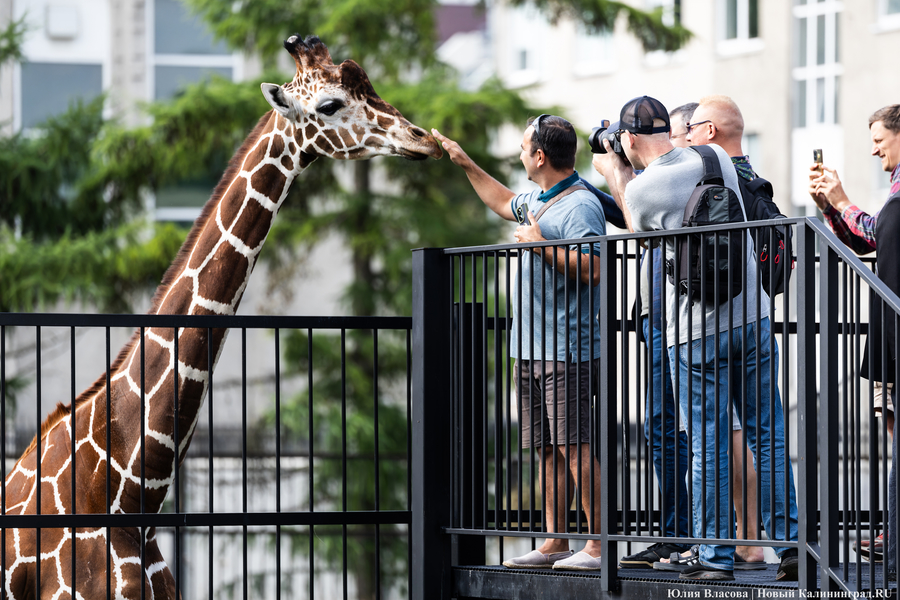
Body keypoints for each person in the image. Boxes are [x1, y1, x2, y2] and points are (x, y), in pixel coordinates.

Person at [593, 95, 800, 581]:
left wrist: (615, 174)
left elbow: (634, 226)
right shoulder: (717, 160)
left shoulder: (643, 190)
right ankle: (791, 546)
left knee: (708, 444)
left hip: (694, 333)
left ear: (627, 139)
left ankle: (714, 559)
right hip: (751, 318)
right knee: (766, 433)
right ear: (672, 127)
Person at [432, 115, 606, 571]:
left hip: (566, 350)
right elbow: (503, 200)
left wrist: (538, 243)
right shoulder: (537, 198)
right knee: (547, 448)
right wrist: (465, 162)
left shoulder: (581, 206)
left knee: (576, 447)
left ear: (540, 156)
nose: (520, 153)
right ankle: (553, 542)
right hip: (529, 347)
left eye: (524, 147)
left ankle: (597, 547)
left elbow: (593, 268)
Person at [809, 104, 900, 570]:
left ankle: (893, 537)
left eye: (880, 140)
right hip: (887, 335)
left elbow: (875, 236)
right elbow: (869, 241)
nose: (873, 148)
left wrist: (842, 200)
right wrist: (831, 207)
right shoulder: (895, 191)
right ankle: (891, 532)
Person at [685, 95, 768, 569]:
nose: (688, 139)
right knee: (757, 432)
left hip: (709, 324)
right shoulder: (755, 183)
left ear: (710, 132)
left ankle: (716, 548)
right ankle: (760, 541)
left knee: (715, 437)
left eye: (692, 129)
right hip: (752, 319)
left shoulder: (701, 175)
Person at [618, 103, 697, 569]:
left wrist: (616, 170)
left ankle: (683, 535)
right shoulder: (693, 173)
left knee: (673, 428)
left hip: (674, 321)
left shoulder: (669, 180)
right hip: (664, 320)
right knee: (670, 428)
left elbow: (637, 228)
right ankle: (686, 534)